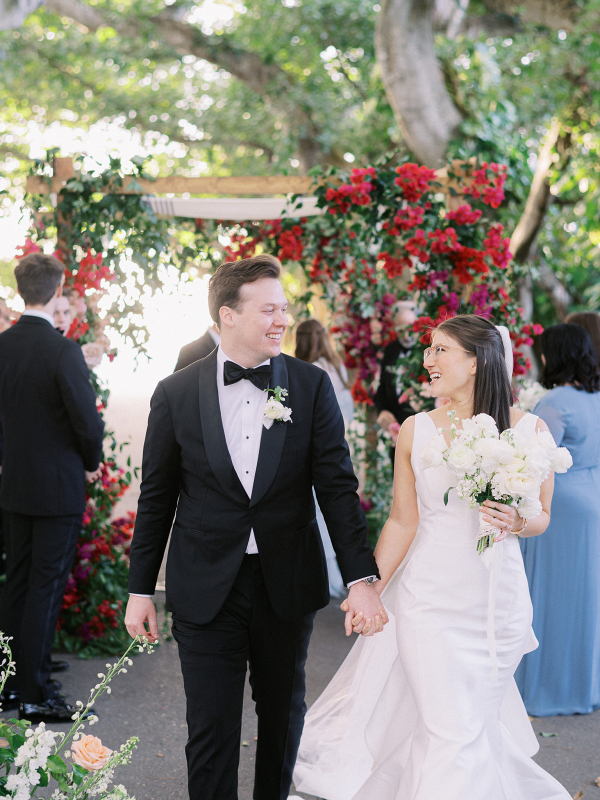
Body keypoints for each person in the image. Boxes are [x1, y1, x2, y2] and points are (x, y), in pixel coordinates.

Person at [124, 254, 387, 800]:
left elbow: (337, 488)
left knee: (283, 716)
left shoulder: (311, 387)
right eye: (268, 309)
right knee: (211, 728)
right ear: (228, 315)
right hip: (204, 585)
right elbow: (157, 498)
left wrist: (362, 579)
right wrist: (139, 589)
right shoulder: (174, 393)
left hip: (284, 581)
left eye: (284, 309)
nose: (280, 321)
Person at [294, 315, 571, 800]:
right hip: (429, 606)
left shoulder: (531, 430)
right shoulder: (416, 431)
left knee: (467, 726)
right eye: (430, 349)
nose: (428, 360)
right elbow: (404, 521)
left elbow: (543, 515)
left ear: (475, 360)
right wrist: (370, 588)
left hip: (497, 604)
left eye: (441, 349)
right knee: (450, 729)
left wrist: (516, 522)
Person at [0, 253, 105, 723]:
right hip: (58, 485)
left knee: (18, 584)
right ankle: (35, 694)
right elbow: (87, 420)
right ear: (58, 290)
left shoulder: (3, 345)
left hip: (15, 483)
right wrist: (91, 462)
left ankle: (10, 683)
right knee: (44, 586)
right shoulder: (62, 349)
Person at [515, 323, 600, 716]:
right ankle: (586, 684)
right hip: (593, 496)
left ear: (552, 356)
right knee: (586, 598)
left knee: (550, 597)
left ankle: (549, 686)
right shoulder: (596, 397)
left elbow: (532, 459)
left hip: (562, 506)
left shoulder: (555, 403)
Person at [295, 318, 353, 598]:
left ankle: (323, 576)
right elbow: (349, 413)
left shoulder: (308, 372)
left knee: (314, 512)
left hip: (314, 450)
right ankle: (335, 575)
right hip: (340, 445)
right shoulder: (338, 368)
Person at [374, 300, 417, 464]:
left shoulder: (429, 350)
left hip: (425, 436)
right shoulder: (391, 350)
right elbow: (382, 389)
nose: (405, 336)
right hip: (398, 439)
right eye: (400, 330)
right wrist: (382, 411)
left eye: (409, 329)